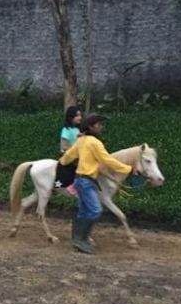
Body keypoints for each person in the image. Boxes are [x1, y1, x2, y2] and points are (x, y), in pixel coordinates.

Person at [58, 114, 139, 254]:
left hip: (80, 180)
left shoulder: (81, 141)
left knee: (84, 211)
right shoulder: (94, 142)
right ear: (91, 127)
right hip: (86, 181)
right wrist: (129, 169)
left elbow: (68, 156)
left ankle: (78, 238)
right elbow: (108, 161)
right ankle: (81, 239)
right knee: (95, 210)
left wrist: (62, 163)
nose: (101, 127)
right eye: (99, 124)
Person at [55, 106, 82, 196]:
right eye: (77, 115)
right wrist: (75, 151)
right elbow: (64, 146)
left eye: (80, 115)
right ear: (70, 117)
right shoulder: (66, 130)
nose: (80, 117)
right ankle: (73, 186)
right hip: (69, 156)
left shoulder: (79, 130)